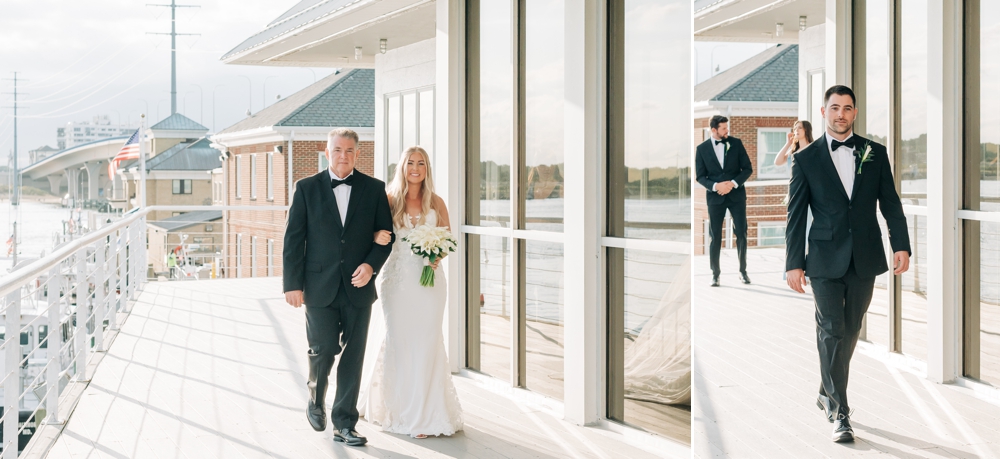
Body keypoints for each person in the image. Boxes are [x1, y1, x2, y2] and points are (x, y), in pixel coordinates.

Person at [785, 85, 910, 443]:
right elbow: (795, 215)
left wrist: (900, 245)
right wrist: (794, 263)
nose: (841, 114)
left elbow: (891, 203)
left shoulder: (875, 152)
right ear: (823, 112)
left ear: (855, 113)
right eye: (835, 107)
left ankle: (826, 391)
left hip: (865, 256)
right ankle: (840, 412)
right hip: (823, 258)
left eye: (848, 108)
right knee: (832, 331)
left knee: (851, 329)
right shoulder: (805, 159)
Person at [282, 128, 395, 447]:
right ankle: (315, 396)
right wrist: (292, 284)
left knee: (352, 356)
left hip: (359, 288)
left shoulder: (374, 189)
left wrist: (371, 265)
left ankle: (345, 423)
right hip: (318, 286)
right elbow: (293, 240)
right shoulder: (305, 188)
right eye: (337, 149)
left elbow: (386, 235)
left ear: (357, 154)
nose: (342, 155)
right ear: (327, 151)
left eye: (349, 150)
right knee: (324, 349)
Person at [360, 146, 464, 438]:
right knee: (400, 341)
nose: (415, 168)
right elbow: (368, 232)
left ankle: (427, 413)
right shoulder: (390, 200)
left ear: (427, 168)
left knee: (428, 342)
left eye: (421, 163)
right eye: (410, 163)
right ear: (402, 167)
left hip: (430, 284)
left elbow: (447, 237)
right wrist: (374, 235)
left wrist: (437, 256)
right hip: (398, 283)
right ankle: (400, 409)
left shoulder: (437, 201)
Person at [695, 115, 753, 287]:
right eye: (724, 129)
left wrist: (733, 184)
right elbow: (700, 176)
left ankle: (743, 271)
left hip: (736, 196)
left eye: (727, 128)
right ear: (714, 130)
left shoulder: (736, 143)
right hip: (715, 198)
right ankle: (715, 274)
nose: (727, 131)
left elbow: (747, 168)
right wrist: (716, 186)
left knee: (741, 233)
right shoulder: (701, 149)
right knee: (715, 236)